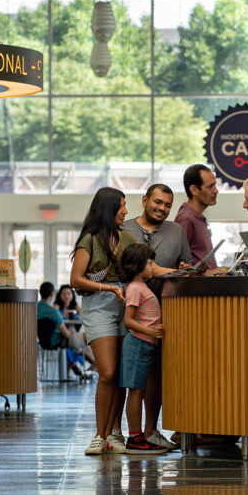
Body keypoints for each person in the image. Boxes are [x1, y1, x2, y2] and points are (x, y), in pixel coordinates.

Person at [69, 187, 177, 456]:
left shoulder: (126, 238)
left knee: (119, 373)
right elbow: (76, 279)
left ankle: (113, 434)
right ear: (107, 209)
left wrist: (187, 271)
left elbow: (148, 266)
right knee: (106, 372)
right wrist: (108, 289)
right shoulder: (90, 240)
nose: (126, 211)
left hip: (126, 303)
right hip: (101, 305)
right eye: (121, 206)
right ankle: (99, 435)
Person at [121, 184, 190, 451]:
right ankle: (129, 435)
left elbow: (183, 265)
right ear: (145, 200)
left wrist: (185, 268)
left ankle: (149, 432)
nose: (162, 208)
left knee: (155, 379)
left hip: (159, 321)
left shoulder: (177, 231)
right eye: (157, 202)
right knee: (131, 385)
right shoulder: (124, 229)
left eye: (167, 205)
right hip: (138, 328)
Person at [119, 243, 169, 454]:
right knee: (136, 391)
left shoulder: (141, 287)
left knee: (140, 390)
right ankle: (135, 437)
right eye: (150, 263)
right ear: (138, 265)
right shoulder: (135, 289)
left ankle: (137, 435)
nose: (153, 267)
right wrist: (150, 332)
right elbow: (128, 321)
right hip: (138, 344)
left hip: (145, 345)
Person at [37, 282, 85, 379]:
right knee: (85, 340)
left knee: (77, 344)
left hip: (42, 341)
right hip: (55, 341)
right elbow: (66, 334)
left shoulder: (37, 308)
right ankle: (93, 364)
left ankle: (77, 366)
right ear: (52, 294)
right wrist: (71, 330)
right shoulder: (54, 312)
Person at [175, 164, 219, 268]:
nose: (216, 190)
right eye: (210, 187)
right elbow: (181, 268)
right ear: (194, 190)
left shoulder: (198, 218)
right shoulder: (186, 219)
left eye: (215, 185)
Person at [54, 284, 95, 370]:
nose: (66, 296)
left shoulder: (75, 306)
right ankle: (94, 365)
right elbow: (55, 320)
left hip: (73, 334)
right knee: (79, 345)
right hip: (62, 335)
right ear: (60, 295)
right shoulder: (57, 306)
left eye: (69, 294)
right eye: (64, 294)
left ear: (72, 295)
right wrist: (62, 315)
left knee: (81, 344)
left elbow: (83, 318)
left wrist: (79, 312)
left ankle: (79, 366)